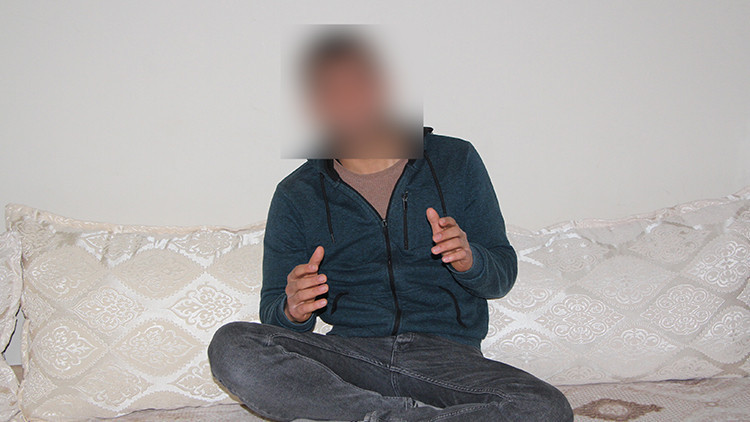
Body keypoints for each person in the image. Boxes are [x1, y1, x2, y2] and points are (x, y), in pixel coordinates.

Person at [208, 30, 573, 422]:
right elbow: (273, 311)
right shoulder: (296, 194)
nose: (347, 100)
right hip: (351, 360)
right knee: (232, 346)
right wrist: (292, 310)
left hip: (447, 360)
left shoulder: (455, 159)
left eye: (358, 84)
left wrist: (471, 261)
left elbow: (502, 275)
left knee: (546, 409)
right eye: (331, 90)